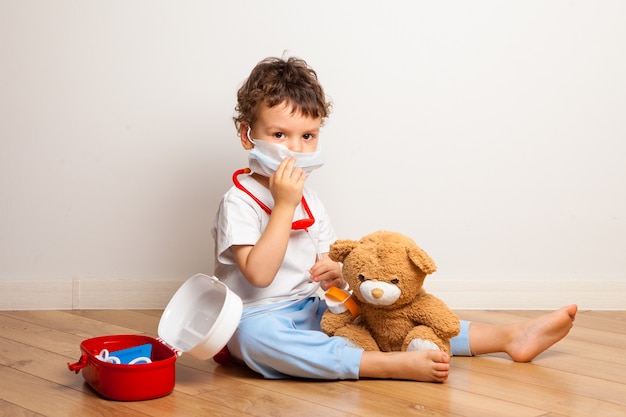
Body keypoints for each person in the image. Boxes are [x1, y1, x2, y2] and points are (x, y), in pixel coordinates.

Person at [211, 56, 577, 382]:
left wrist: (335, 274)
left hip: (313, 307)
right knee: (257, 342)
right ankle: (380, 364)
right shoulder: (239, 201)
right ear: (247, 135)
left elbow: (324, 265)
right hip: (258, 315)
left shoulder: (310, 199)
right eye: (279, 135)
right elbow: (258, 275)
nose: (296, 148)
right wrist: (284, 205)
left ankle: (507, 337)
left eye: (308, 136)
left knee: (390, 315)